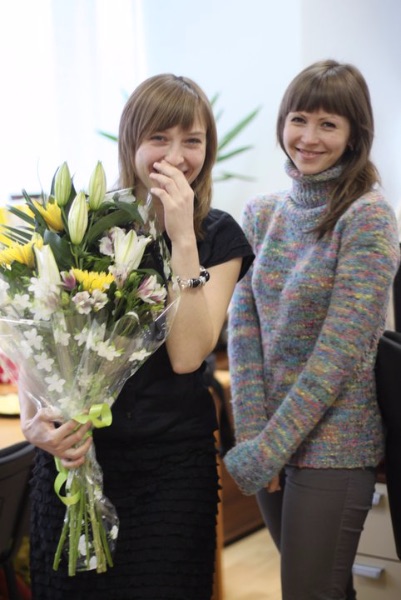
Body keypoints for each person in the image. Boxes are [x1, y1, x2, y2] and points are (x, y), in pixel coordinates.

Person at [19, 74, 254, 600]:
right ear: (131, 143)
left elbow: (188, 355)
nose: (176, 156)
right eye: (159, 138)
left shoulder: (219, 236)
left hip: (170, 471)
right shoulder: (79, 227)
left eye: (192, 141)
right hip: (76, 458)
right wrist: (34, 419)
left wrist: (181, 237)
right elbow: (40, 336)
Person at [223, 59, 400, 600]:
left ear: (354, 135)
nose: (309, 137)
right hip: (270, 440)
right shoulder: (261, 213)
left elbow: (338, 355)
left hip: (336, 443)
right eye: (299, 119)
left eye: (329, 124)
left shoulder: (367, 217)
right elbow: (243, 330)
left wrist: (267, 449)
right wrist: (254, 437)